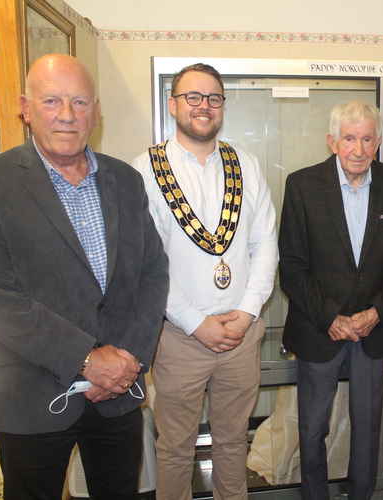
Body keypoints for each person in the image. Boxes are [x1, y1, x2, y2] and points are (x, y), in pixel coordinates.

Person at [0, 54, 169, 500]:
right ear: (25, 107)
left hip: (118, 394)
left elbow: (153, 273)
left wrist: (129, 357)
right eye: (52, 100)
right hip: (32, 394)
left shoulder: (126, 180)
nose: (68, 115)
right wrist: (88, 359)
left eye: (79, 101)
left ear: (95, 110)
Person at [132, 63, 278, 500]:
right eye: (193, 97)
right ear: (173, 104)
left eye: (213, 98)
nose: (204, 106)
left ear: (223, 107)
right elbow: (147, 263)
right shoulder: (145, 170)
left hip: (241, 332)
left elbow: (266, 243)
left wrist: (248, 312)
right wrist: (196, 323)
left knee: (233, 443)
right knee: (175, 448)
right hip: (179, 337)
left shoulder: (246, 165)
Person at [279, 100, 383, 500]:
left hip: (372, 329)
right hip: (319, 328)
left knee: (367, 424)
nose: (358, 149)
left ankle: (362, 494)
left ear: (378, 142)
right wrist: (332, 318)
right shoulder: (302, 185)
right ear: (332, 141)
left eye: (367, 139)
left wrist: (377, 312)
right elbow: (292, 265)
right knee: (313, 427)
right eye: (349, 138)